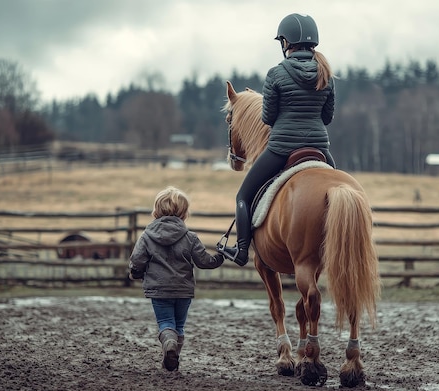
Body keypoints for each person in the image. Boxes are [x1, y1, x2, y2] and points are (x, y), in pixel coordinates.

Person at [217, 13, 337, 266]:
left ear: (286, 42)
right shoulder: (326, 72)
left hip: (282, 148)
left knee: (243, 196)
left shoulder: (276, 73)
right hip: (319, 149)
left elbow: (269, 118)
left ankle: (240, 251)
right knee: (338, 189)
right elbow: (327, 117)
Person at [129, 186, 224, 371]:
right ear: (184, 212)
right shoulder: (189, 237)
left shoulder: (147, 236)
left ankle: (169, 345)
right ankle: (172, 358)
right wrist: (220, 255)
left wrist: (135, 273)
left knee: (166, 324)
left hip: (159, 289)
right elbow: (205, 262)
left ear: (156, 210)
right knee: (179, 325)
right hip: (183, 290)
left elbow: (137, 260)